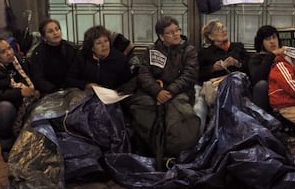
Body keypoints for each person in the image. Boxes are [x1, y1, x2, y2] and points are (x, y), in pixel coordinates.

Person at [125, 16, 200, 169]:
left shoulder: (188, 50)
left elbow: (189, 75)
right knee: (144, 111)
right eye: (170, 32)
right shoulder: (152, 50)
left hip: (179, 92)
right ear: (161, 36)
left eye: (177, 30)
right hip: (155, 92)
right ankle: (154, 153)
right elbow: (144, 74)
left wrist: (169, 91)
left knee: (178, 117)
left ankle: (174, 154)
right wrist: (157, 92)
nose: (176, 34)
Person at [0, 36, 39, 160]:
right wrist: (19, 93)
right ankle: (6, 144)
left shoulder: (19, 60)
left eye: (9, 48)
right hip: (2, 106)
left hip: (25, 99)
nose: (9, 53)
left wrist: (36, 90)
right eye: (3, 51)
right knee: (6, 108)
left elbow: (33, 76)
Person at [66, 25, 132, 91]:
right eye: (98, 43)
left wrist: (119, 91)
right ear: (91, 47)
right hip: (86, 95)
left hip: (113, 96)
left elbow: (128, 82)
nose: (104, 45)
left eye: (106, 41)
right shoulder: (81, 57)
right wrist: (85, 85)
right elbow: (69, 80)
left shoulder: (120, 59)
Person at [30, 19, 78, 95]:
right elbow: (38, 78)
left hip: (71, 89)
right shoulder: (38, 53)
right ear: (44, 37)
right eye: (50, 31)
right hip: (48, 92)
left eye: (57, 29)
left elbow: (76, 72)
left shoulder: (71, 48)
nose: (55, 33)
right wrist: (54, 90)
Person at [246, 25, 286, 112]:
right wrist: (272, 55)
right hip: (268, 96)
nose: (272, 41)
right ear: (261, 43)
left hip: (286, 92)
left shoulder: (285, 55)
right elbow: (257, 78)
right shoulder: (256, 58)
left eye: (274, 37)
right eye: (267, 39)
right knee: (261, 85)